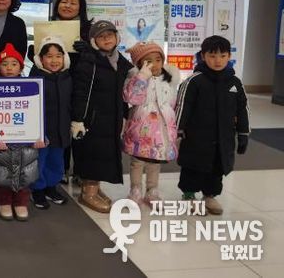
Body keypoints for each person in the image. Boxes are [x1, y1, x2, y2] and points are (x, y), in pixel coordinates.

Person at [176, 35, 249, 215]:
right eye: (212, 56)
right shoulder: (194, 81)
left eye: (223, 56)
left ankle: (210, 195)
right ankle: (188, 195)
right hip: (196, 137)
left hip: (223, 137)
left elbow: (243, 109)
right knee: (193, 166)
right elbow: (183, 106)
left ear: (229, 56)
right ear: (203, 56)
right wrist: (178, 130)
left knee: (217, 167)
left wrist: (243, 134)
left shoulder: (235, 83)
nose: (218, 61)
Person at [70, 20, 133, 214]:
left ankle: (95, 188)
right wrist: (78, 119)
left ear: (117, 37)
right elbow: (80, 92)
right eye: (101, 36)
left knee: (106, 154)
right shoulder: (89, 61)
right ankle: (87, 192)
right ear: (93, 41)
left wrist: (125, 115)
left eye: (110, 35)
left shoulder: (120, 61)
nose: (106, 39)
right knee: (92, 154)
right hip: (92, 119)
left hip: (112, 118)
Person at [0, 43, 44, 221]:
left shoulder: (31, 87)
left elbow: (37, 113)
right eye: (4, 64)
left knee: (25, 174)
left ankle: (21, 202)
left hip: (24, 140)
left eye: (14, 64)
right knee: (2, 175)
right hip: (1, 140)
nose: (9, 68)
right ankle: (3, 202)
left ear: (21, 67)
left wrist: (40, 135)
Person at [122, 42, 180, 206]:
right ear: (140, 63)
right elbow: (132, 98)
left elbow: (172, 103)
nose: (154, 64)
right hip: (141, 128)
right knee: (137, 161)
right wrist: (142, 77)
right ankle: (135, 189)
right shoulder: (135, 78)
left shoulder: (169, 80)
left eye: (158, 60)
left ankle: (152, 190)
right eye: (148, 61)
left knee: (155, 161)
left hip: (161, 129)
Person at [50, 0, 93, 184]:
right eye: (64, 1)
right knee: (60, 126)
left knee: (81, 128)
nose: (67, 6)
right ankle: (62, 169)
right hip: (58, 85)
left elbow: (101, 56)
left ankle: (82, 172)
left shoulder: (89, 31)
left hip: (82, 86)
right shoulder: (49, 26)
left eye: (73, 3)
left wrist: (88, 49)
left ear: (80, 7)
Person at [28, 36, 72, 209]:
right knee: (39, 161)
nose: (54, 61)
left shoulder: (68, 78)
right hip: (42, 131)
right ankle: (37, 189)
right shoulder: (35, 79)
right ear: (41, 58)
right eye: (49, 56)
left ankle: (51, 187)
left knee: (56, 160)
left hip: (60, 129)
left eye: (58, 56)